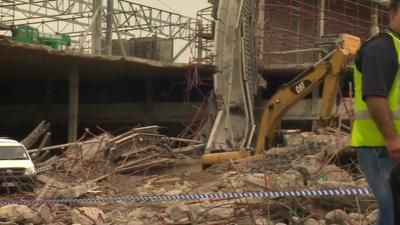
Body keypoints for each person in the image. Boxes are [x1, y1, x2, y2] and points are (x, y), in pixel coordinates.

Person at [352, 0, 400, 224]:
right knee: (390, 211)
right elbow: (374, 96)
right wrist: (391, 138)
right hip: (380, 147)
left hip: (391, 147)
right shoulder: (382, 48)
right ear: (392, 15)